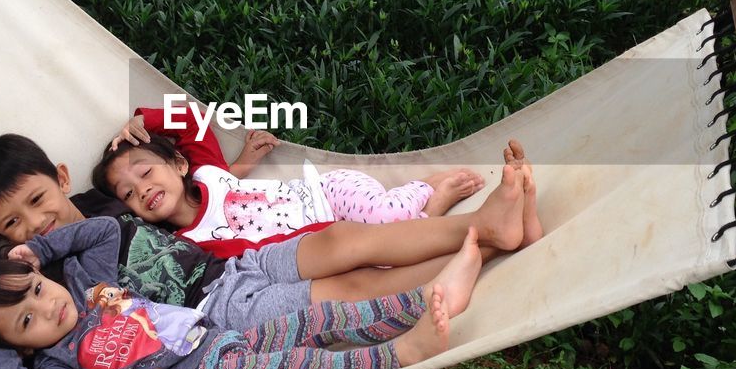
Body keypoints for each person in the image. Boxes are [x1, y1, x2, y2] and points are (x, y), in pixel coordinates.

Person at [0, 133, 540, 369]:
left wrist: (142, 124)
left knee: (342, 241)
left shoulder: (105, 199)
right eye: (13, 222)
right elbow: (20, 339)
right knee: (349, 289)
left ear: (60, 175)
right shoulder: (35, 279)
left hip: (234, 265)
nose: (37, 221)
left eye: (36, 198)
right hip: (221, 316)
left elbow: (174, 167)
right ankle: (484, 247)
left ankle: (486, 222)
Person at [0, 216, 486, 369]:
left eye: (37, 289)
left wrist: (37, 249)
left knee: (323, 319)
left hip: (220, 338)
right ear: (20, 348)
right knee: (304, 365)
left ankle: (428, 297)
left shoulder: (91, 292)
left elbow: (106, 230)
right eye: (27, 321)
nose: (48, 306)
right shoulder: (55, 363)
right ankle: (404, 352)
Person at [94, 106, 485, 259]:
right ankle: (425, 212)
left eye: (145, 173)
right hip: (326, 238)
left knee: (387, 220)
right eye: (128, 192)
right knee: (382, 262)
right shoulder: (189, 246)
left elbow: (192, 120)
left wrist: (140, 123)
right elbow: (261, 250)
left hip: (328, 194)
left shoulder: (207, 173)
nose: (142, 189)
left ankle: (429, 189)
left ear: (178, 163)